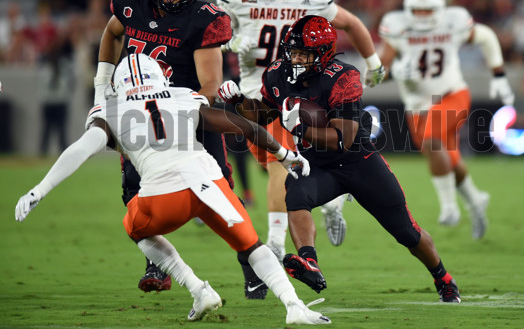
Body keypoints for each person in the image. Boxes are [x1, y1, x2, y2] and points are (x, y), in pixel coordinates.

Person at [15, 54, 331, 325]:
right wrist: (286, 155)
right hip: (210, 185)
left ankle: (198, 289)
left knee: (133, 226)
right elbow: (243, 126)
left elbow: (81, 150)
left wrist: (39, 190)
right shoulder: (182, 95)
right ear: (160, 77)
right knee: (252, 247)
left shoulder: (110, 110)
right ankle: (294, 307)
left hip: (163, 196)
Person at [219, 15, 461, 303]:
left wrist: (302, 129)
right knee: (296, 195)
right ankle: (310, 262)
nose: (294, 59)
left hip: (359, 161)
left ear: (322, 55)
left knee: (406, 232)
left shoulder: (343, 77)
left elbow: (343, 138)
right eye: (292, 51)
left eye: (303, 54)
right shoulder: (276, 74)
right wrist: (238, 103)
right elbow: (265, 115)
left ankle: (442, 277)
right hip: (316, 162)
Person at [215, 0, 385, 268]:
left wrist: (374, 61)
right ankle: (332, 201)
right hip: (253, 95)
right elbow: (209, 35)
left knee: (284, 165)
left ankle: (276, 243)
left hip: (296, 91)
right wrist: (232, 43)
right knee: (277, 167)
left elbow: (350, 22)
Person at [92, 0, 249, 295]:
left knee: (221, 190)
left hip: (187, 111)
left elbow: (210, 83)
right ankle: (157, 265)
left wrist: (181, 107)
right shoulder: (133, 1)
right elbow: (113, 32)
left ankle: (250, 260)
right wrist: (102, 83)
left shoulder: (203, 18)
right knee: (134, 190)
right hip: (139, 114)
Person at [378, 0, 515, 239]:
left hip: (452, 94)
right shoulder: (396, 26)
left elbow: (485, 36)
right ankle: (475, 199)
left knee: (432, 141)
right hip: (417, 105)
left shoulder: (454, 21)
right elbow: (380, 71)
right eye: (417, 10)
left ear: (440, 7)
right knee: (445, 156)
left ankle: (450, 207)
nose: (422, 16)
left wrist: (498, 74)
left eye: (427, 10)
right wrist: (394, 71)